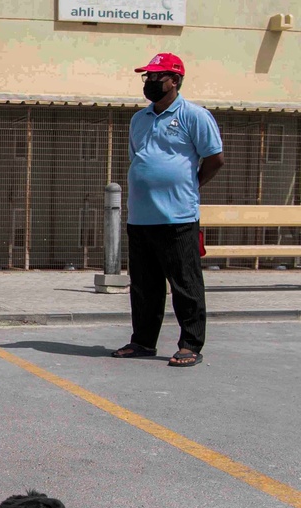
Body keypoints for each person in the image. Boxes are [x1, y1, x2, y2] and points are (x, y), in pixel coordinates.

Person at [112, 52, 224, 367]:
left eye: (155, 76)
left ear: (173, 80)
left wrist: (189, 186)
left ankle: (190, 344)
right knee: (144, 286)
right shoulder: (139, 119)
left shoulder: (194, 115)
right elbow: (140, 160)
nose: (148, 82)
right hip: (141, 217)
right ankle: (143, 342)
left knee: (185, 284)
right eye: (146, 77)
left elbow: (215, 159)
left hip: (178, 218)